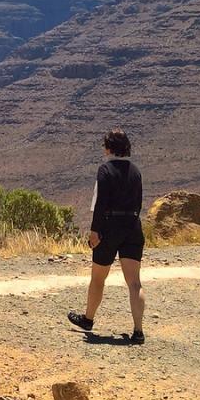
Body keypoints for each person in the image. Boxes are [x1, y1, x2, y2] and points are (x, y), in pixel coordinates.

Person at [66, 129, 146, 343]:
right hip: (132, 226)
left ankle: (88, 319)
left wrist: (95, 231)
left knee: (98, 278)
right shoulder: (136, 171)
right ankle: (138, 331)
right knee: (134, 282)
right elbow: (139, 202)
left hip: (110, 227)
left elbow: (100, 203)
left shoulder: (105, 170)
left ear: (109, 148)